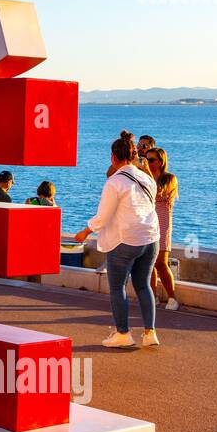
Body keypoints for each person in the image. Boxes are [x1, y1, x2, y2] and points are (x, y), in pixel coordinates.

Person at [74, 133, 161, 348]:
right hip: (151, 239)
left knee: (117, 287)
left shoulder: (115, 182)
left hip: (127, 240)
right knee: (143, 285)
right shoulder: (147, 178)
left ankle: (123, 333)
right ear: (132, 156)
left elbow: (103, 217)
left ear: (113, 157)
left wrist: (86, 231)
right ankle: (150, 333)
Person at [146, 147, 180, 310]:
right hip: (147, 225)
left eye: (151, 160)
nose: (149, 163)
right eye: (147, 160)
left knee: (161, 263)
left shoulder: (169, 179)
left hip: (163, 225)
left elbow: (158, 192)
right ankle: (152, 297)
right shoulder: (145, 177)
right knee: (149, 264)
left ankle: (172, 297)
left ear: (161, 161)